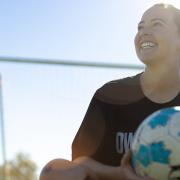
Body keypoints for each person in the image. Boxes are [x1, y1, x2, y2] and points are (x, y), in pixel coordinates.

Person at [40, 3, 180, 180]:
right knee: (56, 171)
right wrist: (123, 174)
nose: (143, 32)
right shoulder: (110, 95)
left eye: (157, 24)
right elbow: (80, 162)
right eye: (140, 27)